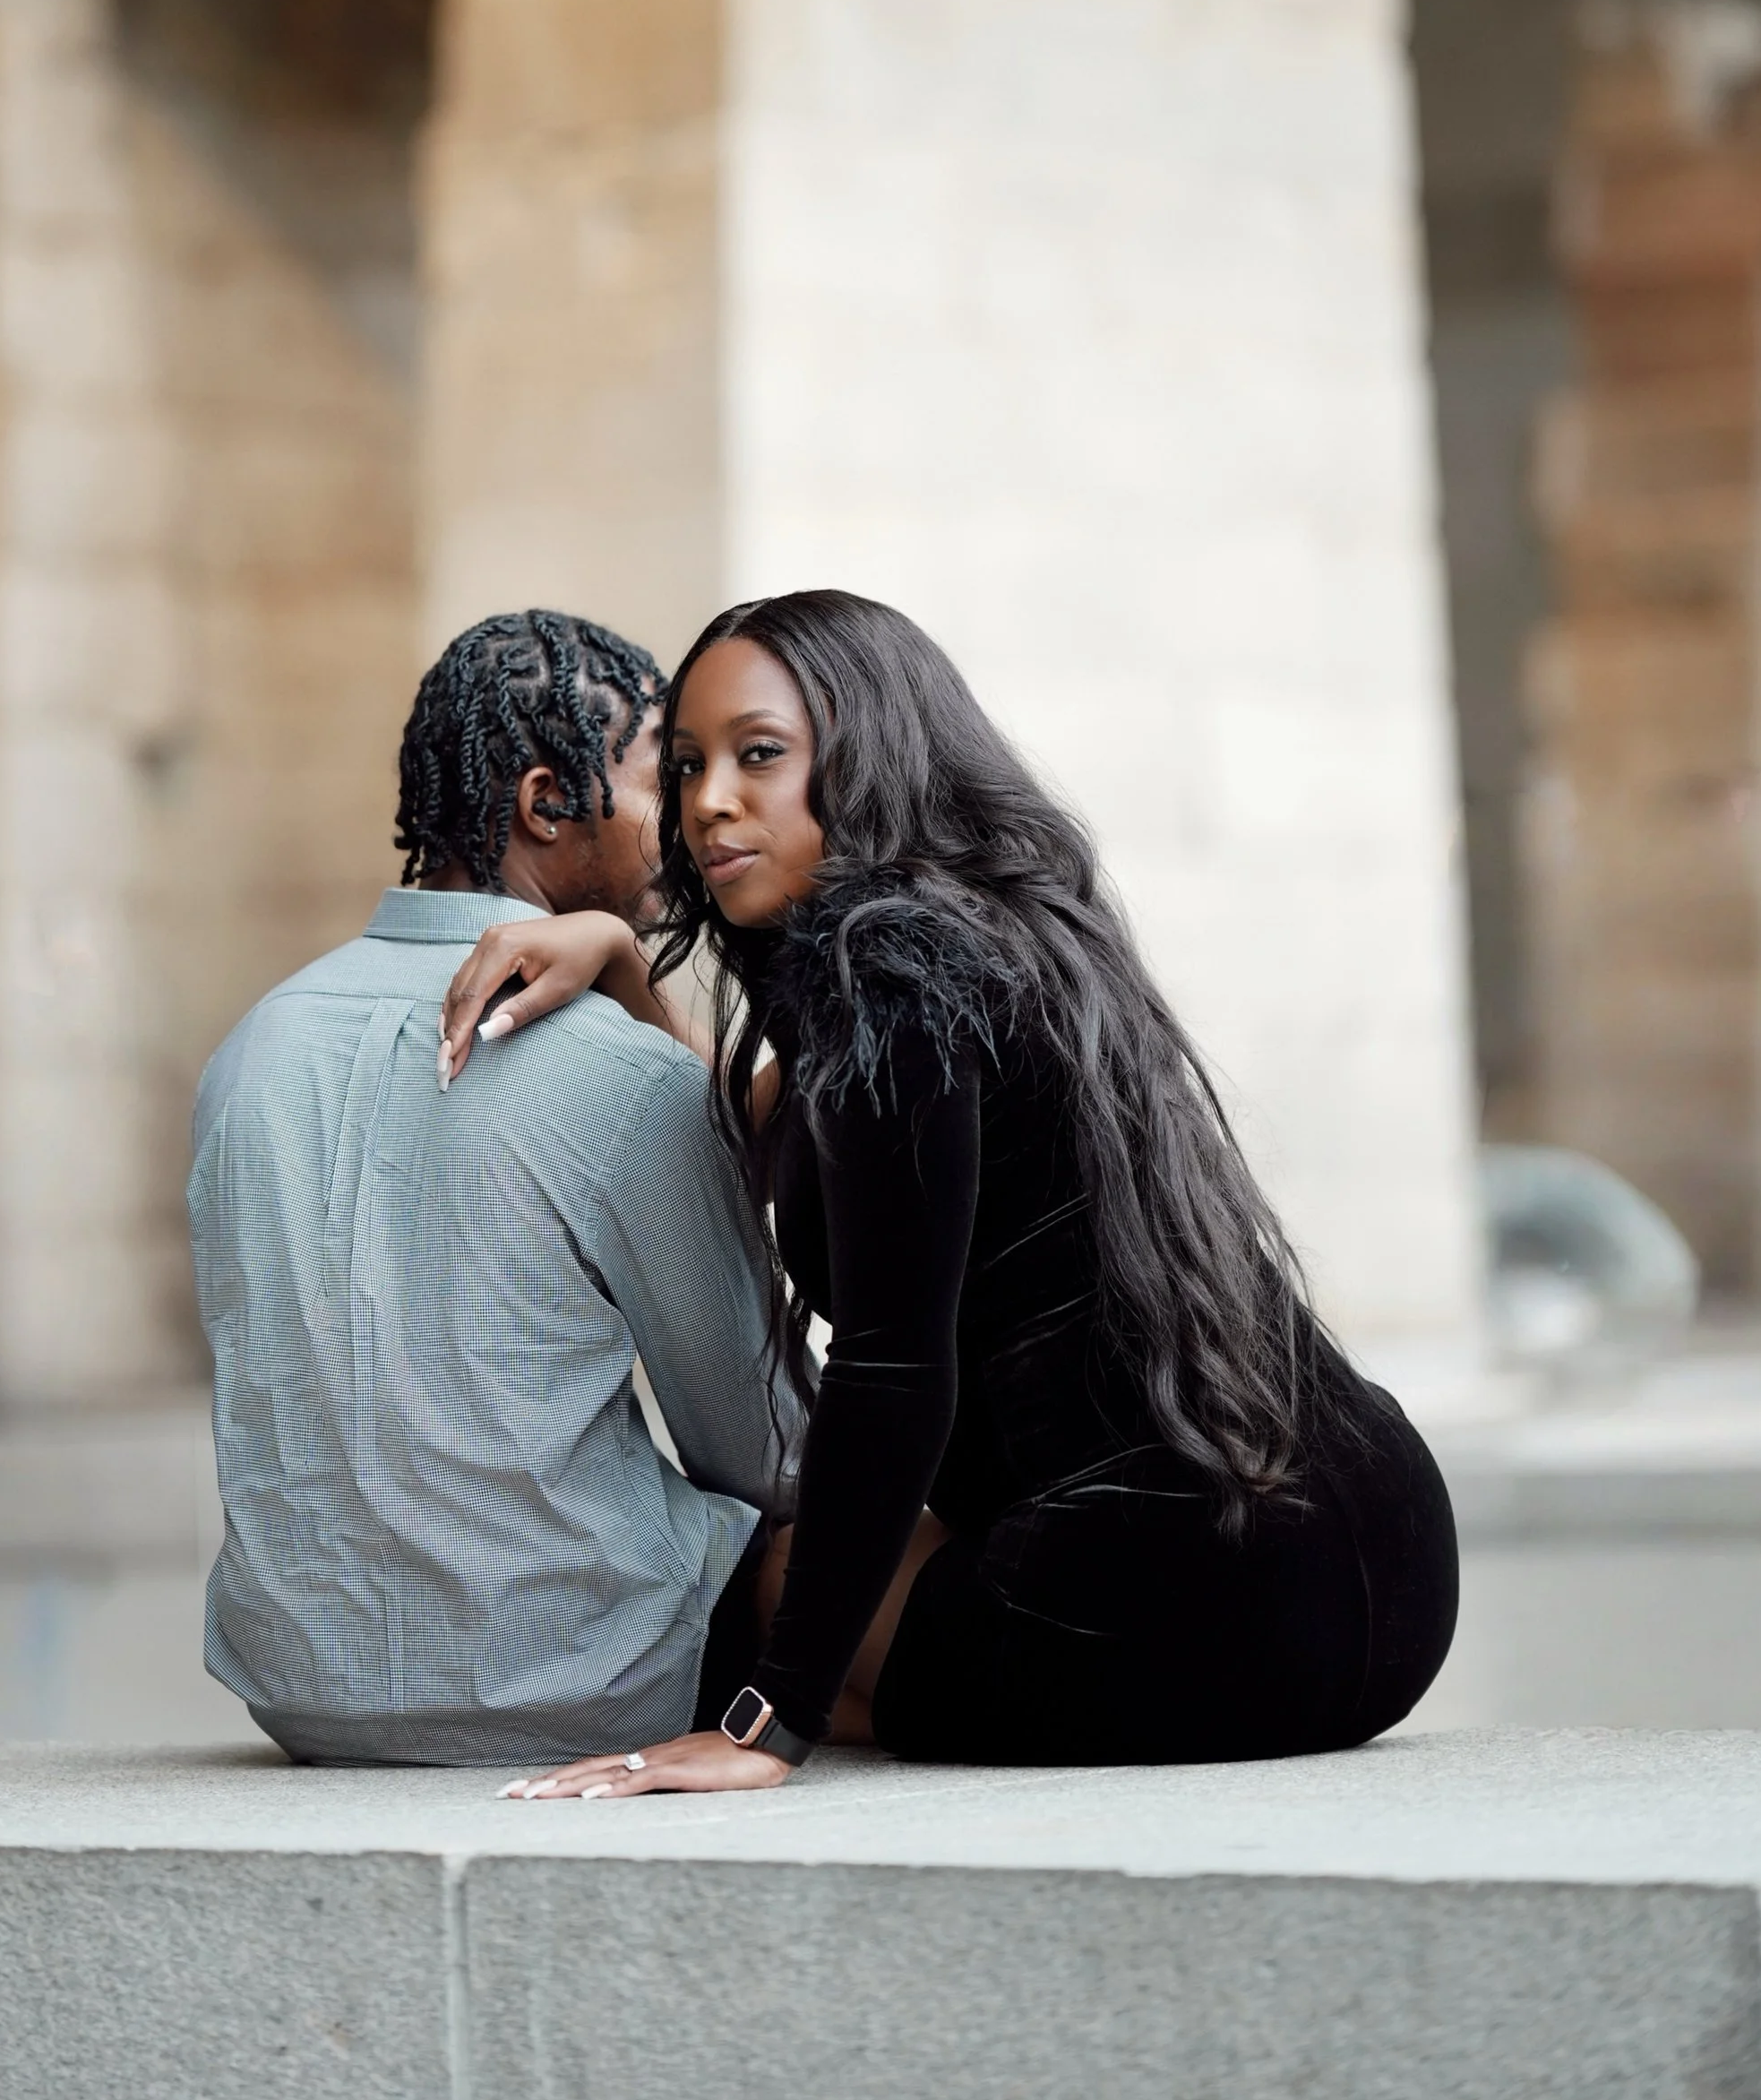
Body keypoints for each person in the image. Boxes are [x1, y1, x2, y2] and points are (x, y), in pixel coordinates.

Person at [437, 589, 1460, 1794]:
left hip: (1205, 1604)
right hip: (1385, 1557)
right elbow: (764, 1124)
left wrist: (769, 1723)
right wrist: (620, 957)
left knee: (764, 1584)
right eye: (693, 763)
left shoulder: (886, 976)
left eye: (761, 756)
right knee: (846, 1583)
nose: (711, 802)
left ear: (867, 750)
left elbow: (891, 1368)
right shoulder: (993, 927)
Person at [187, 607, 795, 1766]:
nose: (685, 817)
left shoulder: (247, 1051)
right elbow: (766, 1451)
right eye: (656, 777)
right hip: (585, 1681)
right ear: (546, 804)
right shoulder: (620, 1078)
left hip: (297, 1691)